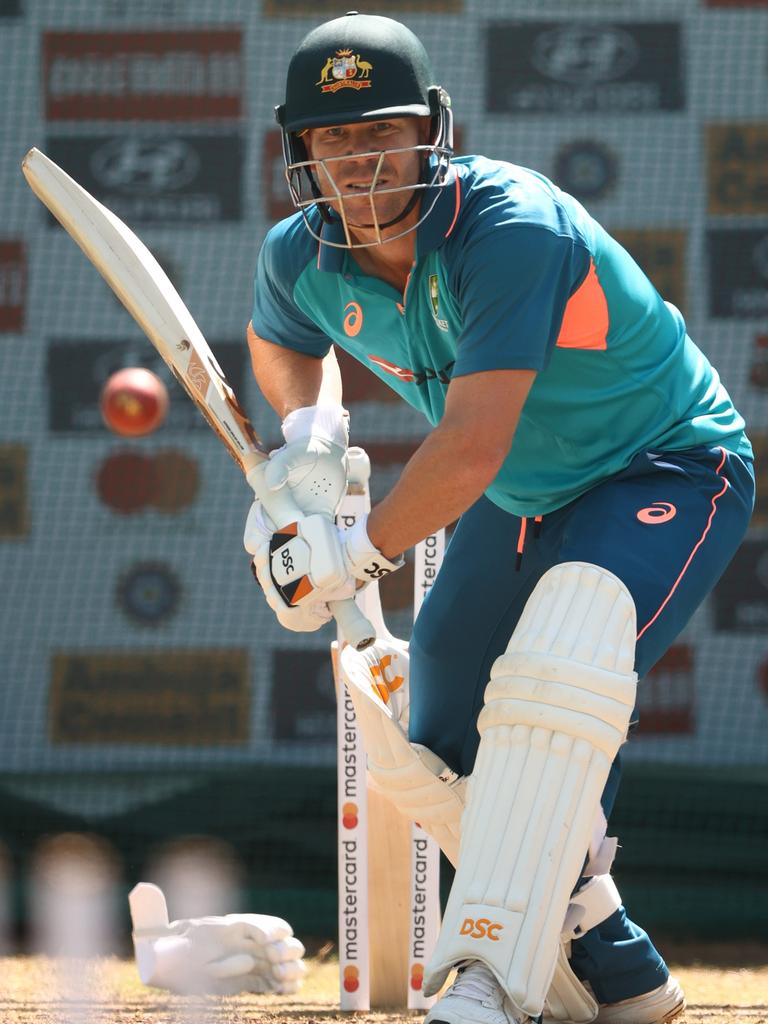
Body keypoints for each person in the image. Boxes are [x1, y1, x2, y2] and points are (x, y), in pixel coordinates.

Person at [243, 12, 755, 1024]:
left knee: (560, 665)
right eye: (336, 138)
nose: (363, 159)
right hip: (526, 496)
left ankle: (486, 977)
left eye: (383, 130)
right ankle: (619, 964)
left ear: (431, 127)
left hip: (667, 465)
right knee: (437, 736)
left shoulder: (509, 225)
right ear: (300, 151)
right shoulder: (299, 254)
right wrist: (305, 445)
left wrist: (355, 548)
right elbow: (280, 340)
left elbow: (471, 445)